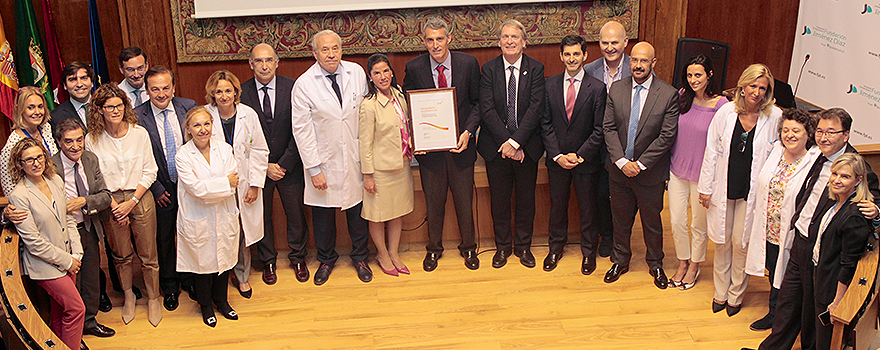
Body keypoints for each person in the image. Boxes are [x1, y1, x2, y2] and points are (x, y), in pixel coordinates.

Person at [750, 108, 880, 350]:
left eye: (831, 132)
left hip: (822, 250)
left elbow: (873, 202)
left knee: (812, 312)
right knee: (788, 303)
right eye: (819, 131)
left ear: (846, 135)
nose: (824, 137)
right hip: (800, 238)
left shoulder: (856, 166)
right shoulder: (818, 154)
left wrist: (876, 212)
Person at [698, 64, 781, 316]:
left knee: (741, 242)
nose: (756, 92)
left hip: (752, 192)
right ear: (742, 86)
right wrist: (705, 187)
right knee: (722, 241)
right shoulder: (725, 112)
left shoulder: (774, 117)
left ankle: (735, 295)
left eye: (762, 88)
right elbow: (711, 151)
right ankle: (720, 292)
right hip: (724, 186)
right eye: (752, 86)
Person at [291, 30, 372, 285]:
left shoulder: (356, 73)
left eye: (335, 48)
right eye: (324, 49)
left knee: (358, 210)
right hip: (322, 160)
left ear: (341, 49)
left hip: (354, 156)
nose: (331, 54)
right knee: (323, 215)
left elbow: (366, 114)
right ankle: (326, 259)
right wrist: (314, 169)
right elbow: (301, 130)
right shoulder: (304, 84)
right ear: (314, 53)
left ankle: (360, 257)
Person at [402, 17, 481, 272]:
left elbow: (478, 103)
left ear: (449, 38)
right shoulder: (414, 68)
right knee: (434, 204)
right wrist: (415, 135)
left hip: (461, 147)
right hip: (431, 152)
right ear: (423, 42)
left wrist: (469, 132)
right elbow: (408, 107)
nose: (435, 45)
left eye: (439, 39)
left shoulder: (467, 63)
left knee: (464, 203)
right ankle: (434, 249)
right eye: (430, 40)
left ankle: (469, 248)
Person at [602, 41, 678, 289]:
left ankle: (656, 264)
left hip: (649, 174)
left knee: (652, 222)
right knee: (620, 220)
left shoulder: (667, 94)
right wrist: (623, 161)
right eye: (634, 60)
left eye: (643, 60)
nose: (638, 65)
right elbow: (609, 128)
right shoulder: (617, 89)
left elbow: (666, 136)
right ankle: (620, 261)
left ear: (653, 63)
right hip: (619, 170)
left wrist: (641, 164)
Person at [85, 84, 161, 326]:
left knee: (149, 254)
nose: (115, 110)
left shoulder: (139, 133)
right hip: (111, 201)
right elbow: (95, 177)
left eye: (119, 105)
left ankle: (153, 297)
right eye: (109, 106)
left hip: (140, 195)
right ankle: (129, 294)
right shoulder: (92, 139)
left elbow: (151, 170)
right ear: (100, 110)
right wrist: (116, 204)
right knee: (121, 255)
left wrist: (133, 202)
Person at [478, 19, 545, 269]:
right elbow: (486, 109)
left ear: (524, 42)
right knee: (500, 200)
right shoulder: (489, 69)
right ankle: (502, 248)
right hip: (496, 150)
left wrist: (516, 143)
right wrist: (506, 144)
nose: (509, 41)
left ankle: (524, 247)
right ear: (499, 42)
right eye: (505, 37)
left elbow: (536, 108)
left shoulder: (536, 69)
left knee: (526, 200)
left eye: (514, 37)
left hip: (527, 149)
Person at [744, 109, 819, 331]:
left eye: (796, 130)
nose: (789, 135)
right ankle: (775, 312)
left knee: (789, 277)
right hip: (769, 230)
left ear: (808, 134)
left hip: (792, 233)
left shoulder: (813, 161)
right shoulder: (776, 150)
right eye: (785, 130)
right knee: (773, 270)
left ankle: (783, 319)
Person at [241, 43, 309, 284]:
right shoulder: (241, 92)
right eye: (258, 61)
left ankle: (298, 257)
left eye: (269, 60)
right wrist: (263, 166)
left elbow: (301, 128)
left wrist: (284, 163)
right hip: (258, 169)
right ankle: (267, 260)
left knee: (296, 214)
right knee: (262, 216)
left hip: (289, 165)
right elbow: (241, 137)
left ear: (277, 62)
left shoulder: (294, 88)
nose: (264, 65)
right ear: (251, 64)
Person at [7, 137, 85, 349]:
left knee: (60, 311)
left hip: (69, 257)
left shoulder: (55, 181)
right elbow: (33, 242)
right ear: (20, 164)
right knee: (77, 309)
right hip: (45, 266)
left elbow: (68, 218)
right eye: (29, 159)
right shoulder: (19, 195)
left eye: (39, 157)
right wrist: (66, 261)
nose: (36, 162)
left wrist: (76, 253)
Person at [538, 34, 606, 274]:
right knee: (557, 207)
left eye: (576, 54)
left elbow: (600, 129)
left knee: (588, 209)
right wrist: (557, 155)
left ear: (585, 56)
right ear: (561, 56)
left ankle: (589, 253)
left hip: (585, 161)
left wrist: (579, 155)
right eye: (567, 54)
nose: (571, 58)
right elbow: (545, 124)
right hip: (557, 162)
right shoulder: (549, 85)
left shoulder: (598, 88)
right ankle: (555, 248)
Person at [134, 65, 198, 311]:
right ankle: (170, 287)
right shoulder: (137, 116)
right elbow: (139, 157)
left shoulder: (188, 106)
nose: (161, 94)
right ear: (147, 91)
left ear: (173, 88)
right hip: (158, 188)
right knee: (164, 240)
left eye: (165, 88)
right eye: (155, 89)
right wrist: (157, 188)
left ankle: (190, 280)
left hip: (189, 186)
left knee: (191, 235)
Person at [204, 70, 269, 297]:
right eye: (218, 91)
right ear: (212, 93)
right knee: (219, 231)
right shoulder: (205, 116)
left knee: (241, 232)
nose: (223, 96)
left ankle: (242, 276)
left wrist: (254, 184)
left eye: (228, 90)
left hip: (244, 184)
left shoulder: (248, 115)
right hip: (216, 185)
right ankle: (218, 277)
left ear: (235, 92)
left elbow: (259, 150)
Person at [175, 106, 241, 327]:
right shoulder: (183, 155)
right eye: (197, 125)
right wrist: (222, 185)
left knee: (224, 261)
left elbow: (234, 183)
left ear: (212, 125)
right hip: (198, 216)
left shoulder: (225, 149)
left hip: (223, 214)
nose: (203, 130)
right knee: (203, 265)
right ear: (188, 129)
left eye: (206, 124)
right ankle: (205, 305)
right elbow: (196, 189)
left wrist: (214, 188)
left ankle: (222, 301)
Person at [51, 118, 117, 339]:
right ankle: (72, 332)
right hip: (63, 235)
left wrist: (84, 202)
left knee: (91, 280)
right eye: (69, 141)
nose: (75, 146)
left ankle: (89, 321)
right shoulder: (50, 167)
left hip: (88, 228)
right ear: (59, 141)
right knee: (71, 284)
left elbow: (105, 196)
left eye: (80, 140)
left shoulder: (90, 159)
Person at [667, 55, 728, 289]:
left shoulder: (721, 105)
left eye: (698, 75)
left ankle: (694, 265)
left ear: (709, 75)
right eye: (690, 75)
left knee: (698, 225)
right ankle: (682, 261)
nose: (693, 80)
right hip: (677, 170)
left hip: (703, 176)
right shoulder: (682, 96)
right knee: (677, 221)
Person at [359, 53, 415, 277]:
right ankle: (382, 253)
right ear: (370, 77)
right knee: (377, 214)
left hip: (401, 165)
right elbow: (365, 143)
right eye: (376, 73)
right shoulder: (369, 105)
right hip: (380, 170)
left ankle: (394, 252)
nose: (383, 76)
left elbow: (405, 125)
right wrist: (368, 175)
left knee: (396, 212)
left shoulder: (399, 94)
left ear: (392, 71)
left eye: (385, 71)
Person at [812, 153, 873, 349]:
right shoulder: (837, 202)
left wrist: (838, 300)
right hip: (822, 276)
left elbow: (848, 263)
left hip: (833, 286)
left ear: (858, 180)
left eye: (845, 176)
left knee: (828, 340)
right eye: (835, 173)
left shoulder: (854, 215)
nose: (837, 180)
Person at [584, 20, 632, 258]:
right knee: (601, 194)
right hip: (598, 145)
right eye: (605, 42)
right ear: (599, 43)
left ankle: (623, 240)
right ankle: (608, 236)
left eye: (615, 42)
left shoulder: (638, 67)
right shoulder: (590, 70)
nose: (610, 47)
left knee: (624, 197)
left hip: (627, 145)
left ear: (625, 42)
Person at [1, 86, 59, 195]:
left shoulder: (46, 128)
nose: (37, 112)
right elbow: (9, 188)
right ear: (20, 109)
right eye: (31, 107)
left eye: (40, 106)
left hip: (54, 191)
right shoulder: (13, 143)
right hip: (31, 200)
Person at [49, 62, 96, 134]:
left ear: (92, 82)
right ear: (65, 85)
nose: (79, 84)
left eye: (84, 78)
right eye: (73, 79)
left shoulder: (106, 106)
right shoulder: (55, 117)